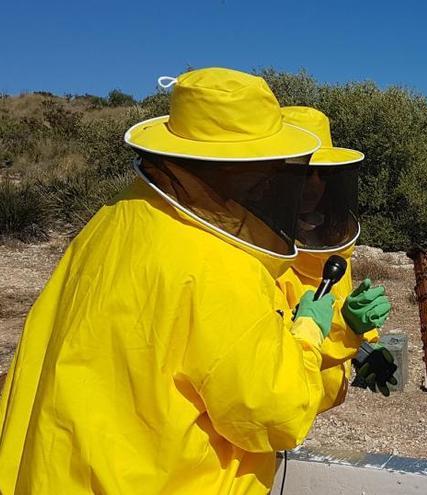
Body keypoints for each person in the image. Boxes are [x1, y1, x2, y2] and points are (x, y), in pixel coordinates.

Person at [0, 68, 337, 494]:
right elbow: (275, 412)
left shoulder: (110, 219)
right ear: (246, 170)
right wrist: (308, 333)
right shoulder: (221, 265)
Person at [276, 106, 396, 407]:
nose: (315, 183)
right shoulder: (264, 255)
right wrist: (347, 330)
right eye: (304, 171)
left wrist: (365, 347)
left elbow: (337, 307)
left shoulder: (329, 240)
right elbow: (275, 353)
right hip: (276, 410)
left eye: (324, 173)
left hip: (309, 404)